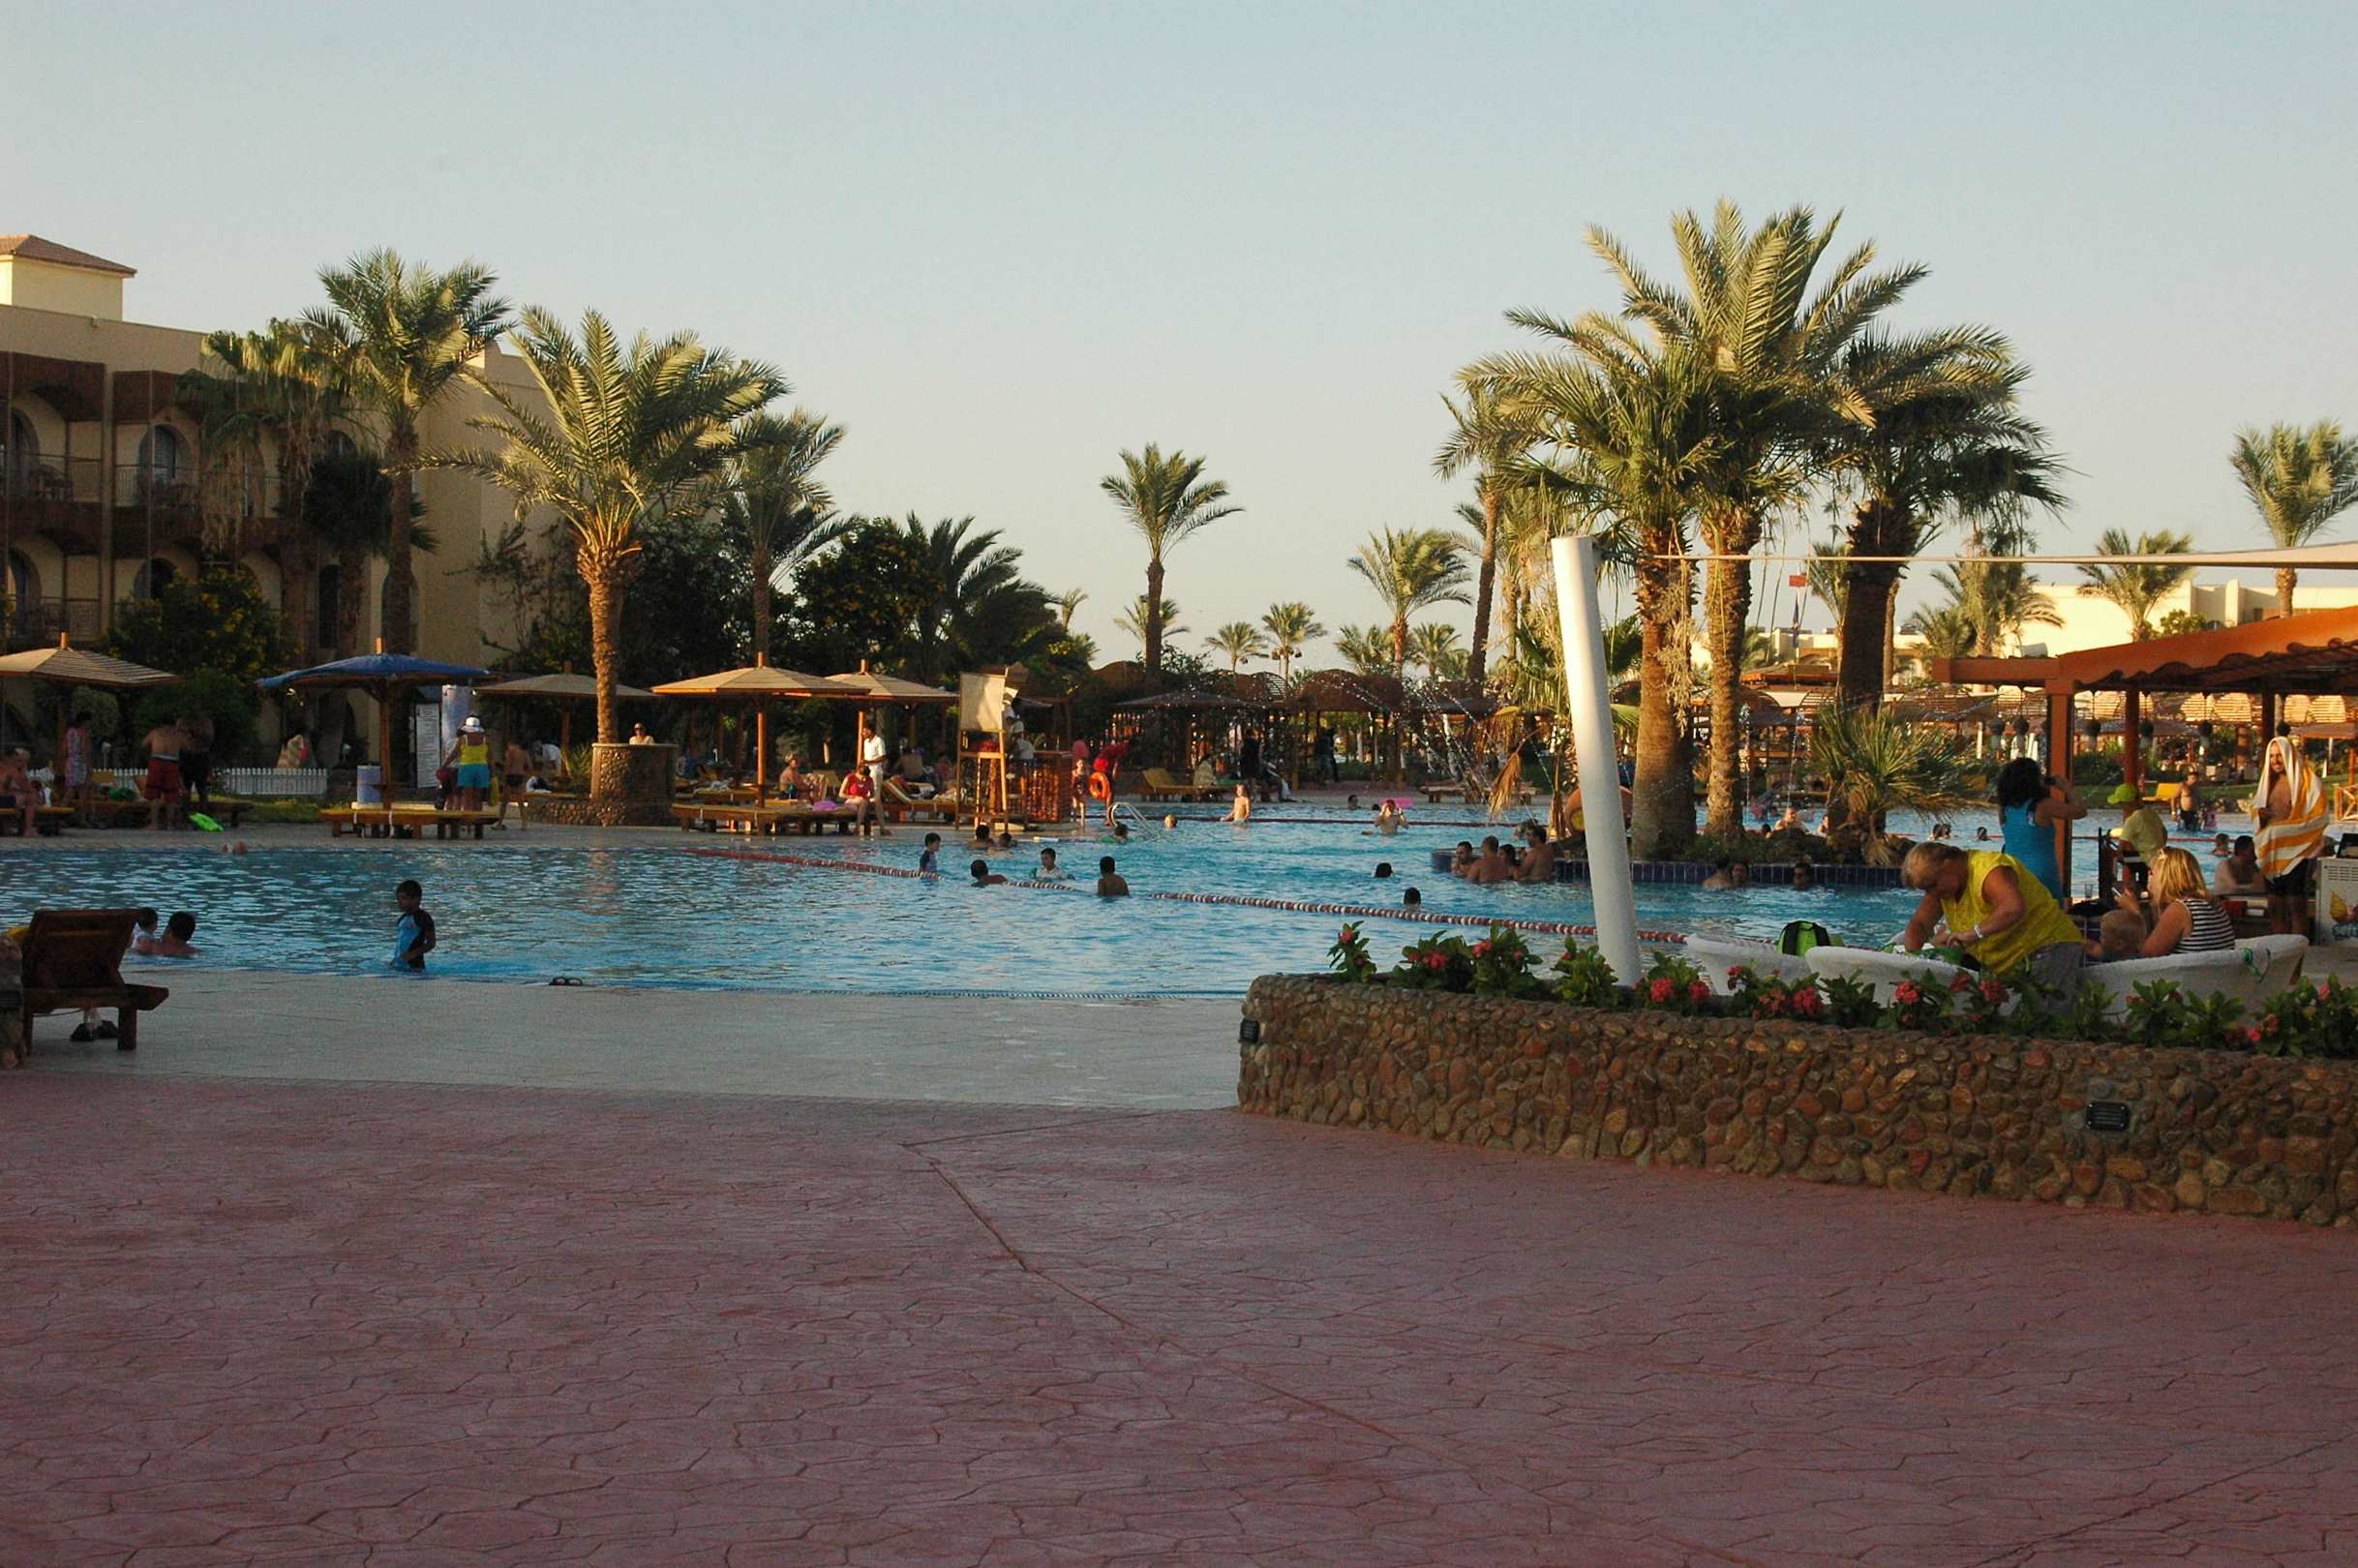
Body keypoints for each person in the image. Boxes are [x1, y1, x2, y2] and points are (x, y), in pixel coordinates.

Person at [1899, 841, 2085, 990]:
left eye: (1933, 885)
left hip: (2046, 946)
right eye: (1926, 889)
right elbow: (1920, 924)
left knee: (2043, 1019)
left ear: (1948, 864)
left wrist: (1973, 933)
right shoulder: (1940, 890)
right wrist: (1913, 962)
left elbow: (2012, 907)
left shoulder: (1988, 870)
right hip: (2003, 965)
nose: (1932, 893)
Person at [2253, 734, 2326, 936]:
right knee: (2275, 906)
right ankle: (2279, 947)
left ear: (2289, 756)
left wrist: (2288, 828)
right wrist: (2258, 815)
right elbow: (2255, 811)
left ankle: (2299, 948)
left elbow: (2319, 817)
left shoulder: (2308, 783)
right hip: (2272, 851)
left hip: (2297, 852)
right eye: (2271, 756)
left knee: (2296, 906)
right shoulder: (2267, 783)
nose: (2275, 761)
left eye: (2279, 756)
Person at [2109, 846, 2235, 958]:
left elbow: (2147, 956)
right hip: (2216, 974)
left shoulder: (2180, 910)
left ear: (2165, 877)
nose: (2149, 877)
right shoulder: (2212, 903)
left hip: (2189, 976)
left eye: (2152, 872)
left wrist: (2134, 912)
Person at [1996, 758, 2087, 906]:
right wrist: (2066, 787)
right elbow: (2080, 811)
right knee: (2049, 913)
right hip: (2041, 871)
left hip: (2012, 870)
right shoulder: (2042, 806)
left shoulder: (2004, 807)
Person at [142, 714, 185, 830]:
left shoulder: (155, 733)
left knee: (154, 793)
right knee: (171, 794)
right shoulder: (178, 735)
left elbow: (144, 744)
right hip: (172, 762)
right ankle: (170, 824)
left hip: (157, 761)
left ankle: (154, 824)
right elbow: (188, 747)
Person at [444, 716, 492, 813]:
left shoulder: (463, 739)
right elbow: (490, 757)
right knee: (478, 798)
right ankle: (478, 820)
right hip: (482, 768)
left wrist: (444, 765)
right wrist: (492, 770)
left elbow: (454, 754)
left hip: (466, 768)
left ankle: (467, 820)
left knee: (467, 797)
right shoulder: (485, 739)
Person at [393, 880, 435, 970]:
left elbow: (431, 943)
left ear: (416, 899)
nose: (399, 902)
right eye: (398, 899)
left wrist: (413, 954)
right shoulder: (402, 919)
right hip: (399, 965)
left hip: (415, 968)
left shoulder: (423, 918)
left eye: (403, 898)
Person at [179, 711, 215, 807]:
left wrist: (196, 734)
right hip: (187, 755)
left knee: (202, 787)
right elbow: (179, 737)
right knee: (186, 787)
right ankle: (185, 811)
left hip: (200, 755)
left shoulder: (206, 722)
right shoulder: (182, 721)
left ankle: (203, 812)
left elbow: (209, 739)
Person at [63, 709, 92, 819]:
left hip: (70, 762)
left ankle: (61, 811)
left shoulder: (70, 732)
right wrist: (88, 767)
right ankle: (82, 816)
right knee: (82, 791)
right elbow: (85, 751)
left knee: (71, 789)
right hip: (80, 763)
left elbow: (64, 749)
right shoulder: (84, 734)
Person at [0, 749, 35, 836]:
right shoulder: (10, 769)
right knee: (30, 798)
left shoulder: (5, 767)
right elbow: (26, 787)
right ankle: (28, 829)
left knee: (17, 797)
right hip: (2, 799)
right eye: (15, 760)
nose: (17, 763)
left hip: (4, 798)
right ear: (7, 759)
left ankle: (7, 828)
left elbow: (6, 787)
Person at [500, 739, 531, 830]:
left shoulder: (509, 752)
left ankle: (499, 823)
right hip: (519, 776)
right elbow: (530, 766)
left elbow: (507, 766)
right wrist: (525, 777)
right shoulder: (524, 753)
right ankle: (524, 823)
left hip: (510, 776)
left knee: (504, 802)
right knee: (521, 802)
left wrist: (504, 779)